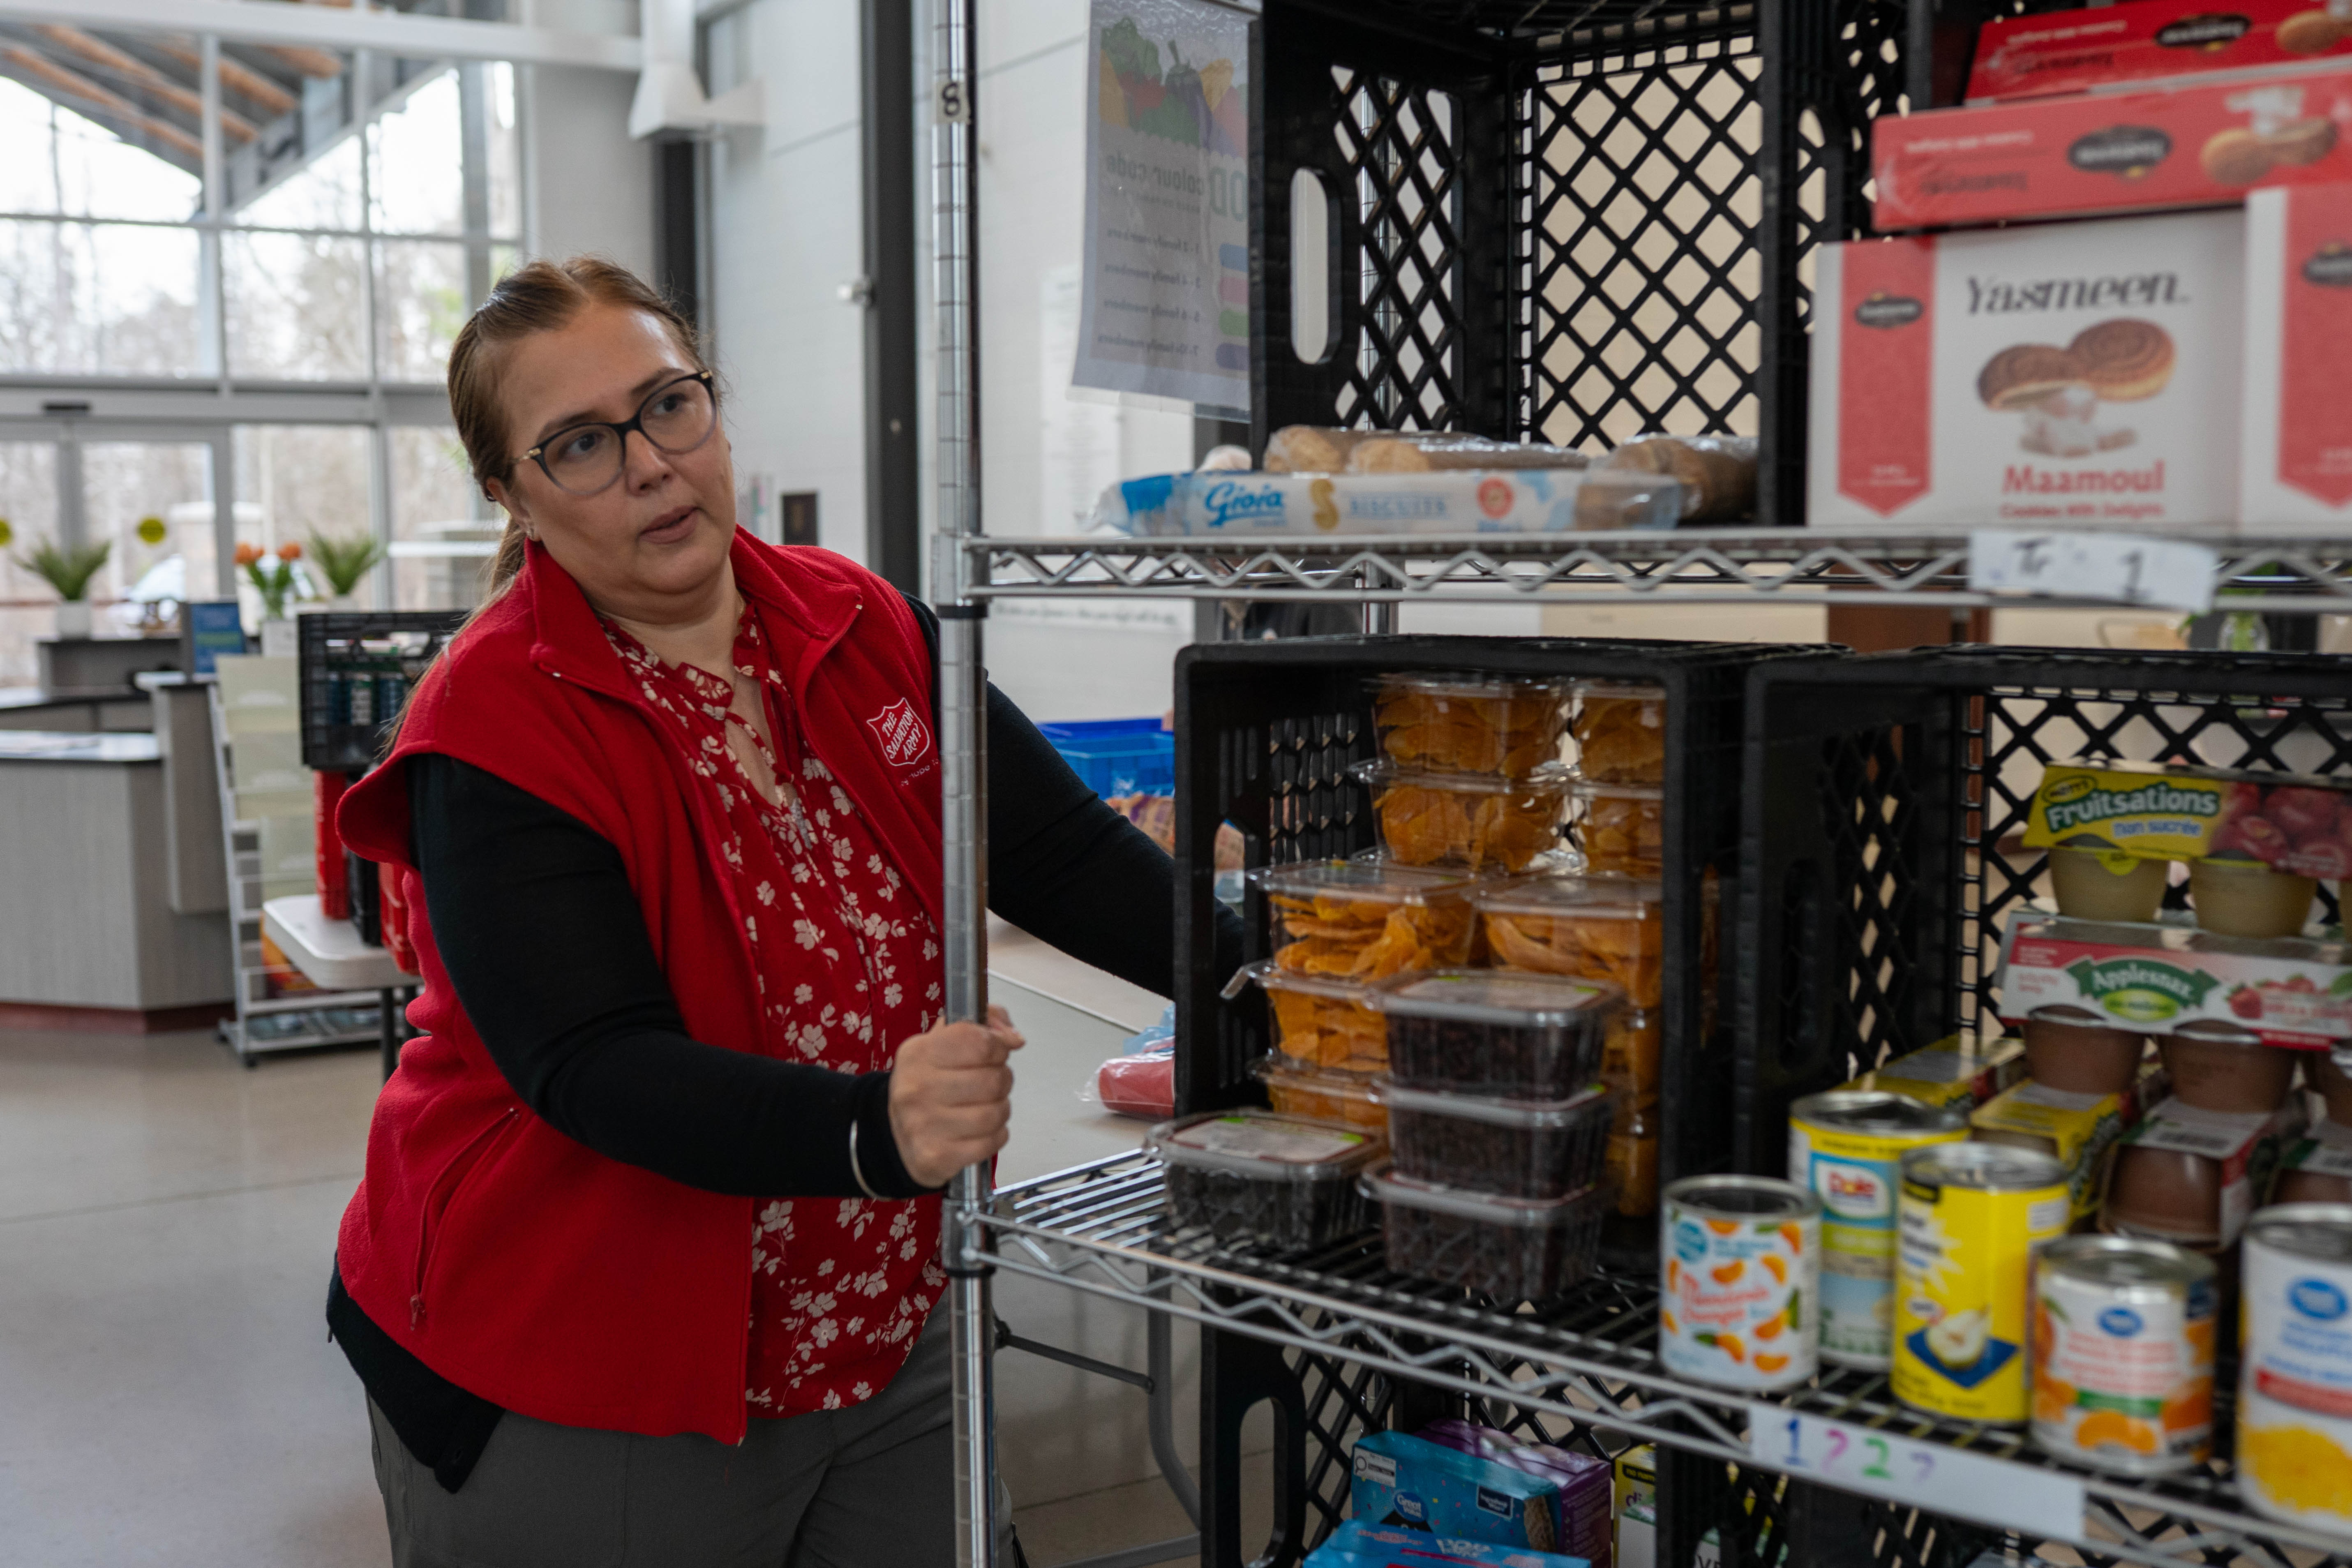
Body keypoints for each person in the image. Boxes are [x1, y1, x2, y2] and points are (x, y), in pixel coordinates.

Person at [326, 256, 1243, 1567]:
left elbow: (1059, 857)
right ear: (513, 497)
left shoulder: (857, 621)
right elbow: (589, 1065)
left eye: (669, 406)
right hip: (592, 1354)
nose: (648, 463)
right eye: (581, 443)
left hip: (877, 1310)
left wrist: (1285, 993)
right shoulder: (494, 722)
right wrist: (875, 1129)